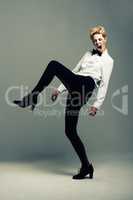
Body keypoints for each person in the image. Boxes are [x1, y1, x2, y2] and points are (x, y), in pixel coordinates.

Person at [13, 25, 114, 179]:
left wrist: (96, 105)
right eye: (95, 41)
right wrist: (59, 89)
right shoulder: (88, 54)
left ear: (105, 39)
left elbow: (104, 84)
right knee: (70, 131)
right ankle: (86, 166)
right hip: (75, 86)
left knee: (53, 64)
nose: (98, 43)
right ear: (92, 42)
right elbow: (74, 71)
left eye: (100, 39)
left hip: (86, 85)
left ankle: (32, 96)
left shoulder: (108, 61)